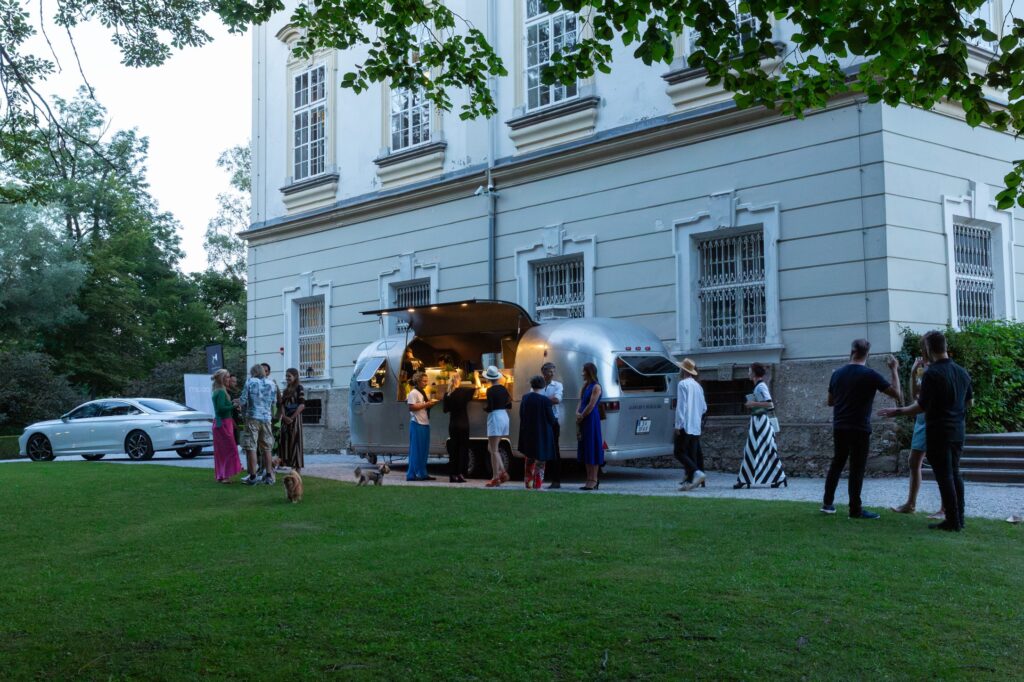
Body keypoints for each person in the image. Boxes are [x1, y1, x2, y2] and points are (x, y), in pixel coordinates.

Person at [880, 331, 972, 531]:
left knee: (944, 476)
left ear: (929, 349)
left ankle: (952, 521)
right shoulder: (961, 372)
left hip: (939, 431)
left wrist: (898, 411)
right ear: (945, 346)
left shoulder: (932, 373)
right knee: (954, 473)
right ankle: (959, 518)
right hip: (958, 430)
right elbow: (969, 401)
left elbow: (921, 405)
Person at [821, 339, 902, 518]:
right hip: (859, 426)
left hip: (840, 425)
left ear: (851, 351)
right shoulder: (870, 375)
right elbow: (896, 394)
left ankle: (827, 504)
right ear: (868, 354)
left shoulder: (837, 374)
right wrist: (894, 369)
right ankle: (855, 510)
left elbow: (830, 401)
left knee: (837, 463)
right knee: (857, 468)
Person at [890, 338, 945, 518]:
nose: (922, 352)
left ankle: (945, 508)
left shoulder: (939, 368)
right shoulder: (924, 367)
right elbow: (915, 394)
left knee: (941, 466)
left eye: (923, 348)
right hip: (921, 420)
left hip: (934, 420)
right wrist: (913, 372)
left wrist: (899, 411)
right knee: (914, 461)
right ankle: (911, 503)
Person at [734, 363, 787, 489]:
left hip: (761, 422)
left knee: (754, 449)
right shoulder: (759, 385)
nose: (748, 373)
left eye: (749, 371)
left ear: (754, 373)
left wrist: (752, 403)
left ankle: (745, 480)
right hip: (759, 421)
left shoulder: (761, 386)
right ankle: (779, 478)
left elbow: (769, 404)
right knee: (765, 450)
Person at [239, 363, 278, 485]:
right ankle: (269, 475)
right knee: (267, 447)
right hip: (266, 419)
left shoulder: (250, 382)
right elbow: (274, 402)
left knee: (251, 446)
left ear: (253, 372)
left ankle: (253, 476)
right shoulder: (272, 384)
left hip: (252, 417)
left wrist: (237, 403)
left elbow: (243, 400)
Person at [518, 375, 558, 489]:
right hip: (542, 434)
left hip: (528, 434)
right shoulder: (545, 400)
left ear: (532, 385)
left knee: (529, 459)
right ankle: (538, 485)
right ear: (543, 386)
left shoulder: (525, 397)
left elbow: (521, 415)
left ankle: (528, 483)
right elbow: (551, 419)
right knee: (540, 461)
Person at [674, 358, 708, 492]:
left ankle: (696, 472)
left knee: (679, 452)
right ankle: (691, 479)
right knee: (692, 453)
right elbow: (704, 408)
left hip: (686, 424)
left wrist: (678, 424)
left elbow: (681, 406)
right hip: (695, 425)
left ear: (683, 370)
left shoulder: (683, 384)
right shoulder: (698, 386)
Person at [210, 369, 242, 483]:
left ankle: (222, 474)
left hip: (221, 422)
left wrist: (232, 402)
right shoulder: (220, 392)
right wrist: (234, 405)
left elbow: (222, 406)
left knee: (223, 450)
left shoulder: (219, 390)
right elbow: (220, 409)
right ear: (222, 379)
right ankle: (225, 475)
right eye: (227, 377)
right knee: (229, 449)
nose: (229, 379)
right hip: (223, 423)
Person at [482, 366, 512, 487]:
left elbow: (490, 407)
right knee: (492, 448)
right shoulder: (504, 389)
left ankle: (496, 477)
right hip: (504, 415)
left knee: (493, 450)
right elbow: (509, 404)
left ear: (489, 378)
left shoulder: (490, 391)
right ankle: (503, 473)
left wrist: (484, 408)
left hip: (495, 417)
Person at [576, 362, 604, 491]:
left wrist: (582, 415)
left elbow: (591, 405)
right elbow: (581, 401)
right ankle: (588, 478)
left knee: (592, 447)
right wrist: (577, 412)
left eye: (583, 371)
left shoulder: (596, 387)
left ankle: (594, 479)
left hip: (591, 419)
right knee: (586, 447)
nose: (582, 374)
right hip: (583, 419)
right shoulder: (585, 386)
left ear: (589, 372)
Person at [443, 370, 474, 483]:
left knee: (454, 450)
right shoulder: (464, 391)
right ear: (458, 380)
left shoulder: (447, 394)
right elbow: (477, 389)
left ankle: (452, 475)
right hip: (463, 424)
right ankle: (461, 474)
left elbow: (445, 410)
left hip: (453, 424)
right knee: (463, 450)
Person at [406, 371, 439, 481]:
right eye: (424, 381)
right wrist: (426, 404)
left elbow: (422, 407)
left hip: (424, 422)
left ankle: (422, 473)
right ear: (418, 381)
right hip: (417, 423)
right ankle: (412, 474)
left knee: (424, 450)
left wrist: (429, 404)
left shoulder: (422, 392)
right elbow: (411, 407)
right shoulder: (413, 393)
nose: (426, 383)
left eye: (426, 381)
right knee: (416, 450)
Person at [540, 362, 564, 489]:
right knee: (540, 449)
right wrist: (547, 400)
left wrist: (540, 400)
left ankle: (556, 480)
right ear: (543, 372)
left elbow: (557, 400)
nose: (552, 374)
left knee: (555, 450)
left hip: (552, 421)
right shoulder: (538, 384)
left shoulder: (558, 385)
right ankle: (539, 478)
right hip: (540, 421)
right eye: (550, 371)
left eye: (553, 371)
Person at [279, 368, 306, 472]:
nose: (287, 378)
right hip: (286, 420)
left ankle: (297, 469)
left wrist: (292, 417)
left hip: (295, 420)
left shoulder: (299, 388)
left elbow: (302, 404)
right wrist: (284, 416)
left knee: (296, 443)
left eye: (289, 376)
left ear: (295, 376)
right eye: (286, 376)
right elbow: (281, 405)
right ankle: (290, 467)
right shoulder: (286, 390)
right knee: (286, 442)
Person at [261, 362, 283, 474]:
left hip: (272, 418)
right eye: (262, 370)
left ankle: (271, 468)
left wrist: (278, 416)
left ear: (268, 372)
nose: (264, 372)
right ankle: (262, 467)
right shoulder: (255, 384)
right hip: (260, 419)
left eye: (266, 370)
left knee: (272, 444)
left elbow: (280, 401)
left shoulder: (273, 384)